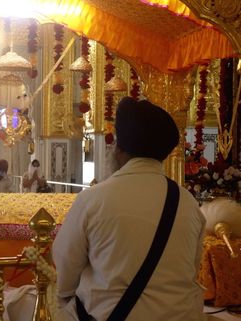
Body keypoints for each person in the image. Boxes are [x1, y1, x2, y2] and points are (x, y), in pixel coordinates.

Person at [53, 97, 206, 321]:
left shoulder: (94, 199)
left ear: (119, 148)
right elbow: (191, 269)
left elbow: (66, 264)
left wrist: (65, 297)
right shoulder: (188, 203)